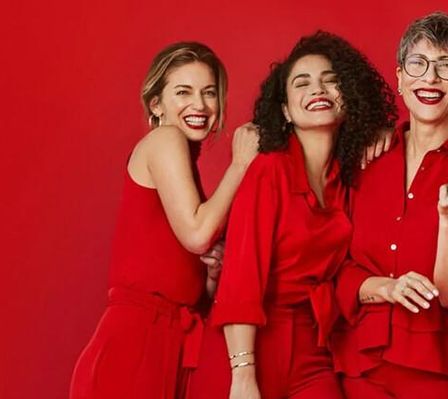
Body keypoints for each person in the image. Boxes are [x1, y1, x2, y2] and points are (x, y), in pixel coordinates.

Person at [186, 31, 396, 399]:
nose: (318, 90)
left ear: (349, 97)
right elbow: (241, 277)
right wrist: (243, 375)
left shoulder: (346, 177)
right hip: (248, 346)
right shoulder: (270, 170)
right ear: (284, 110)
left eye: (331, 81)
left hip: (314, 346)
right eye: (302, 83)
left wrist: (389, 131)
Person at [333, 12, 448, 398]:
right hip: (361, 363)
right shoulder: (366, 160)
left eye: (447, 66)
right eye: (418, 64)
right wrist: (382, 287)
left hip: (441, 370)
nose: (430, 78)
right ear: (399, 77)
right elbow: (338, 266)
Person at [69, 41, 257, 399]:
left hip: (171, 343)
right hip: (135, 344)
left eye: (209, 93)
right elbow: (198, 235)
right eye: (183, 92)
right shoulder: (164, 139)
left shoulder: (185, 164)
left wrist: (212, 275)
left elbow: (186, 283)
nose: (199, 105)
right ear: (156, 104)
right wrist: (240, 164)